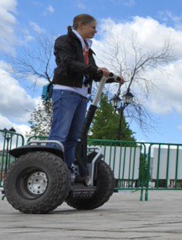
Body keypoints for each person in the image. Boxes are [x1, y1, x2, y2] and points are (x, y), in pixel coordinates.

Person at [48, 14, 124, 173]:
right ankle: (51, 171)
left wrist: (112, 78)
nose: (95, 31)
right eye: (93, 27)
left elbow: (95, 74)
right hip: (66, 92)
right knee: (60, 135)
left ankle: (65, 172)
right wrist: (95, 69)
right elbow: (69, 64)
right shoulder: (64, 41)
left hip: (82, 95)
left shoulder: (87, 48)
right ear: (81, 25)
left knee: (74, 138)